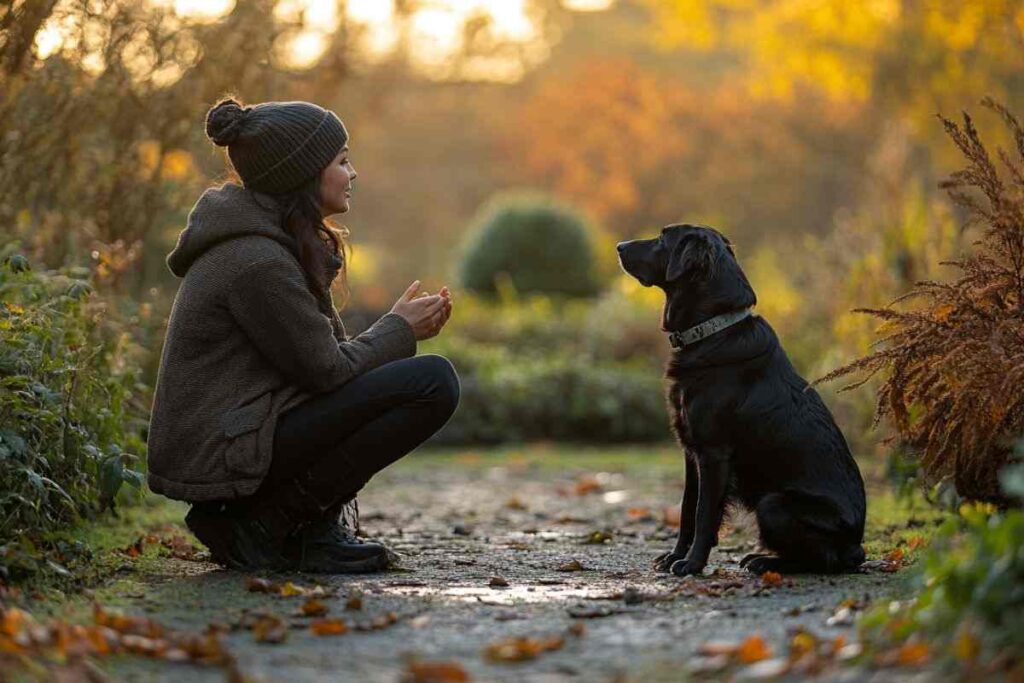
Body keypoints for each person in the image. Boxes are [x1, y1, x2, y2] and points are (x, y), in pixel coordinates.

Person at [146, 98, 460, 573]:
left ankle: (302, 527)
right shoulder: (256, 262)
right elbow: (329, 371)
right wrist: (399, 328)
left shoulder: (275, 244)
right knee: (431, 382)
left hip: (253, 429)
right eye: (342, 160)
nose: (353, 173)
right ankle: (267, 525)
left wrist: (396, 330)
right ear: (305, 173)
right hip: (229, 452)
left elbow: (327, 363)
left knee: (420, 377)